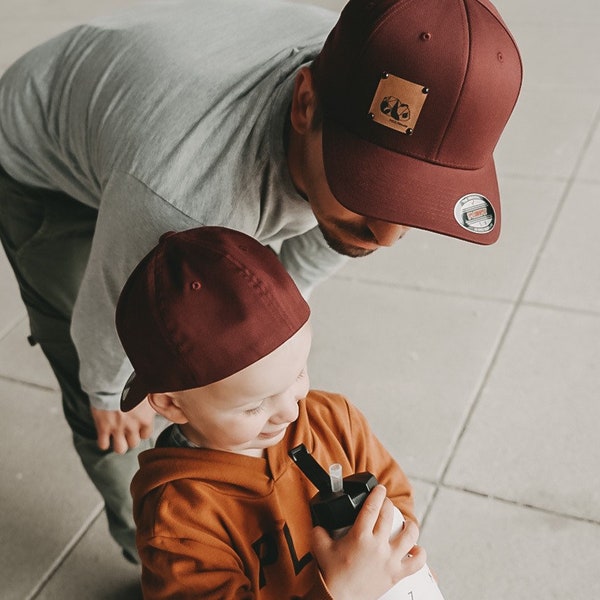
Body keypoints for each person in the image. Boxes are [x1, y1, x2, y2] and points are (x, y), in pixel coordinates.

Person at [0, 0, 522, 561]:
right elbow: (107, 312)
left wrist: (262, 353)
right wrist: (106, 390)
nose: (389, 235)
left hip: (140, 92)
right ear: (304, 103)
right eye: (368, 188)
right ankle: (157, 554)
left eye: (414, 199)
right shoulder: (180, 201)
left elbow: (301, 269)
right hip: (39, 154)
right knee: (108, 400)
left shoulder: (383, 64)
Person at [116, 225, 427, 599]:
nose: (290, 412)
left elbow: (394, 493)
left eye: (297, 374)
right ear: (170, 403)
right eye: (254, 406)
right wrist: (344, 591)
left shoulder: (332, 418)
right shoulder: (178, 519)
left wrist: (395, 547)